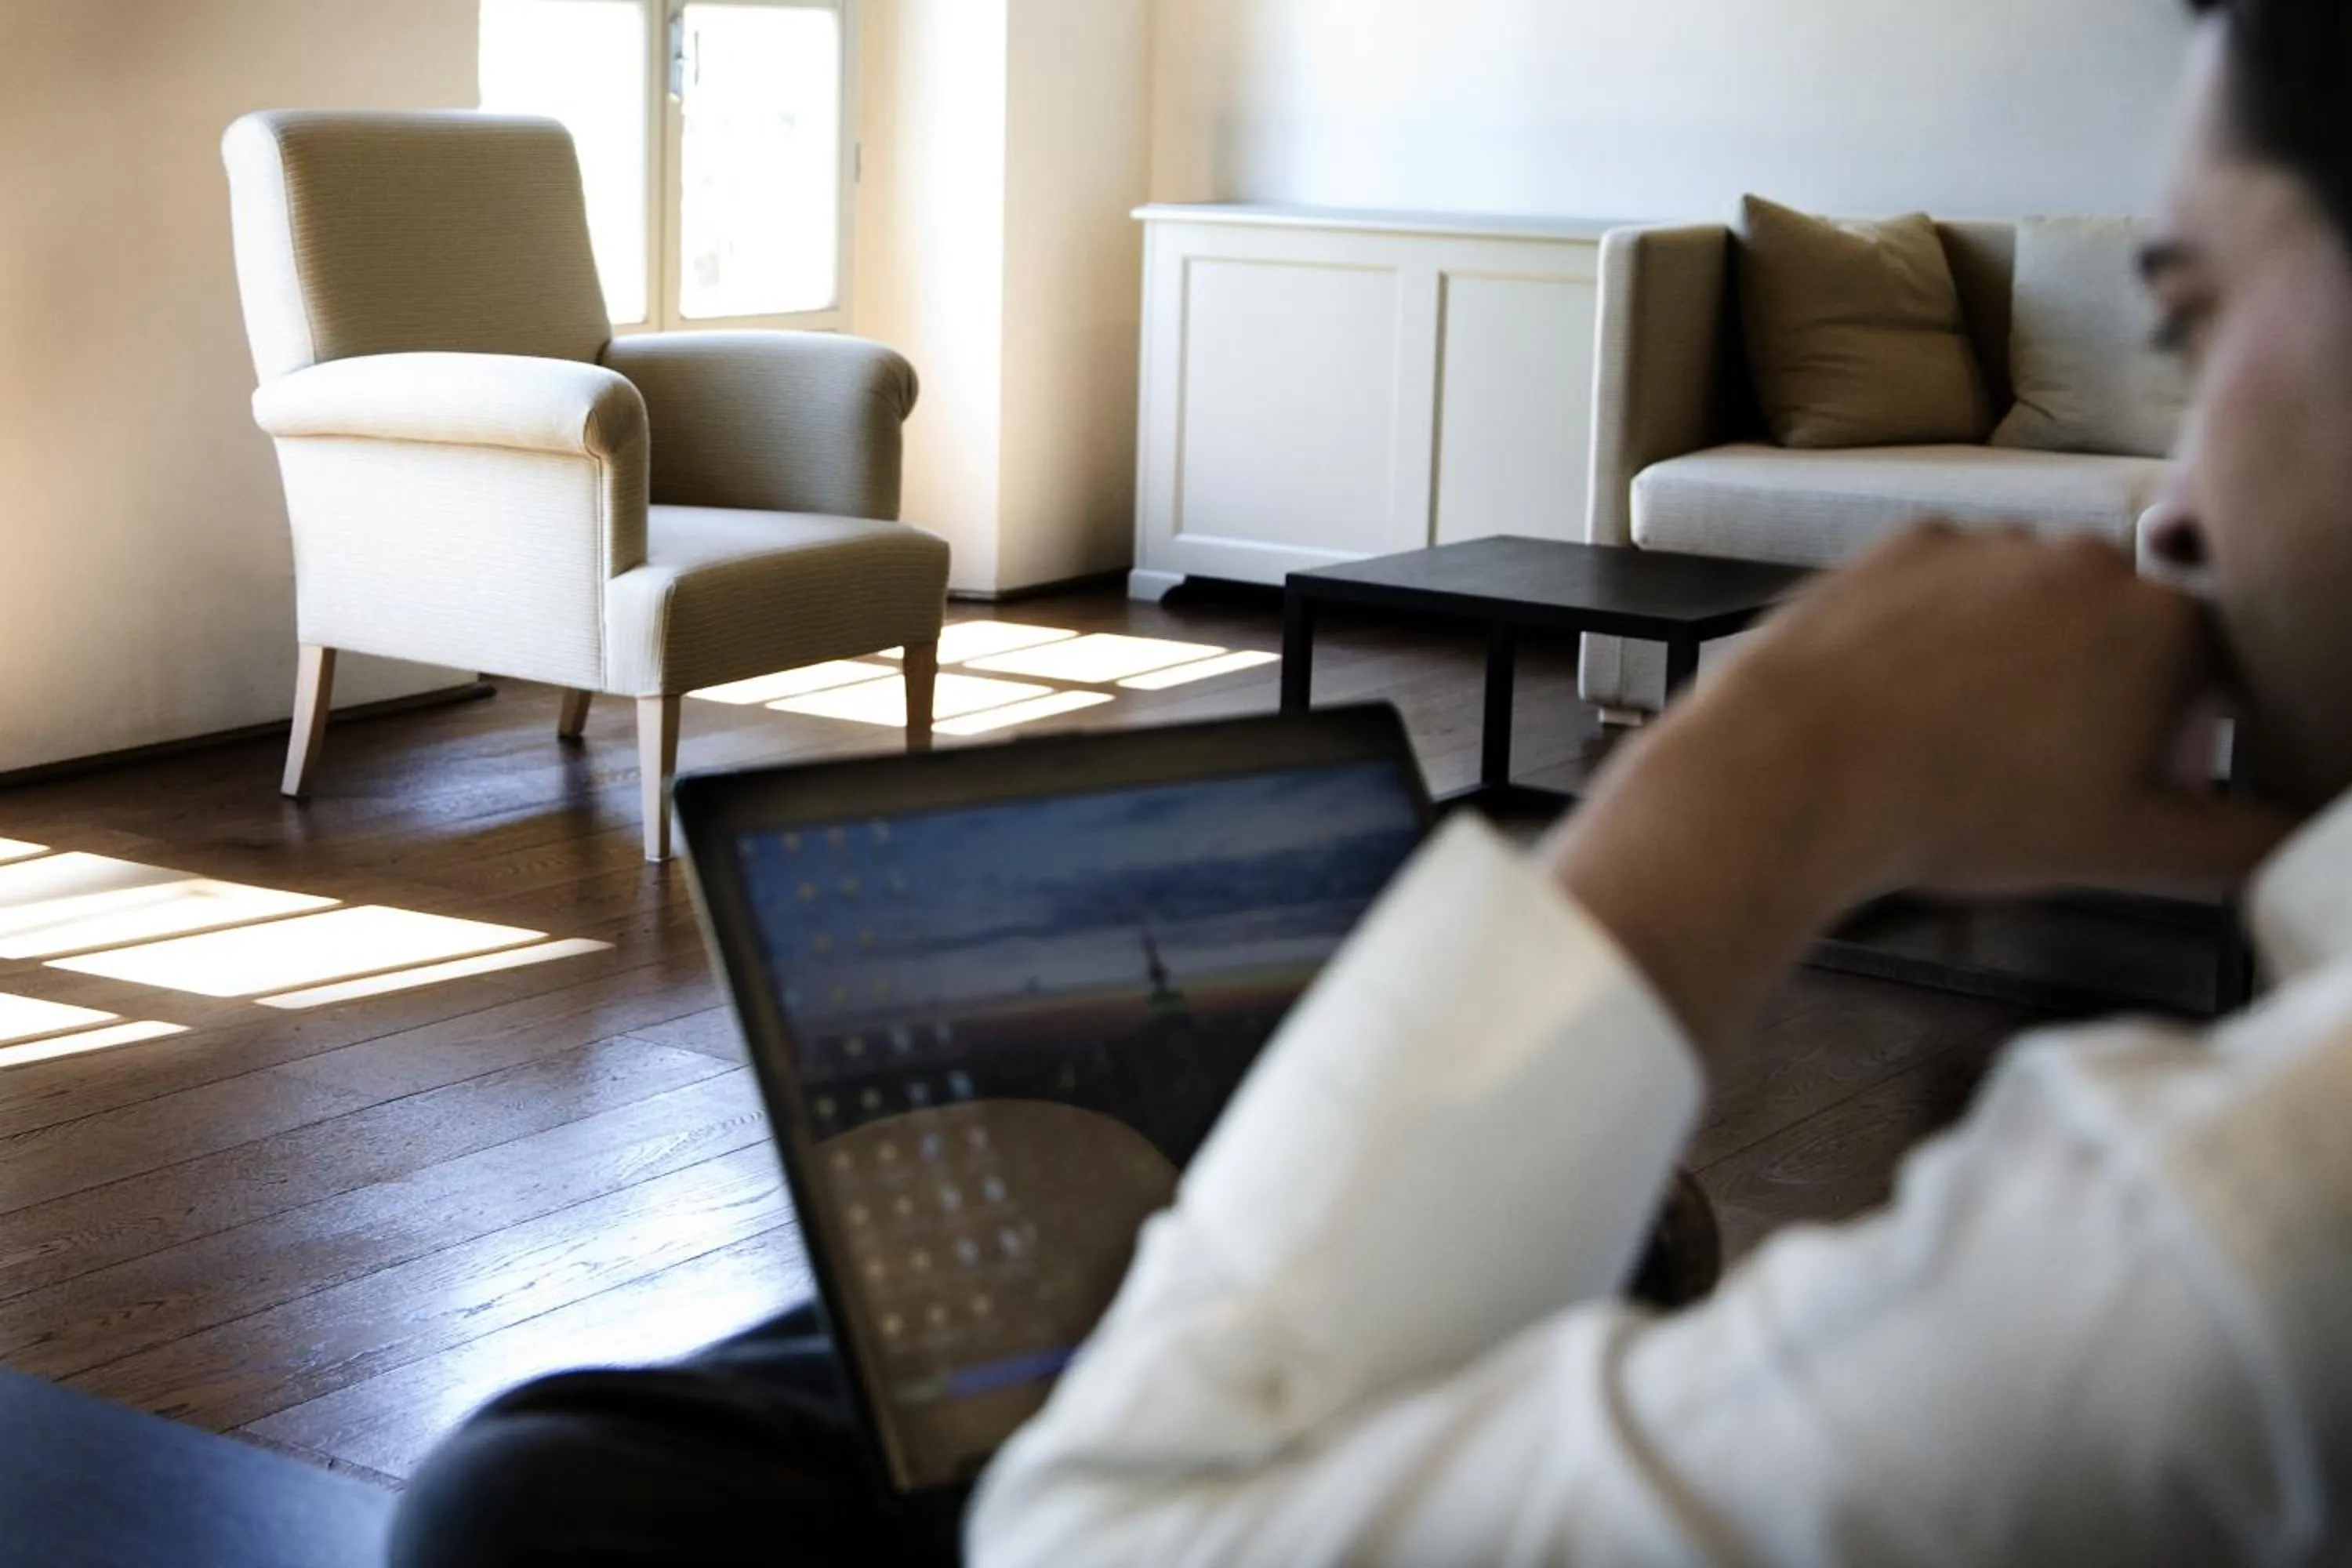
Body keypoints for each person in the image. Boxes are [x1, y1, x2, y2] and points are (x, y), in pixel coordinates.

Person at [392, 0, 2352, 1560]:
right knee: (1608, 1231)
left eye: (2192, 325)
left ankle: (1459, 1217)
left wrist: (1756, 793)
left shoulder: (2230, 1237)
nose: (2170, 509)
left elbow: (1103, 1537)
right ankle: (1546, 1233)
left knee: (537, 1493)